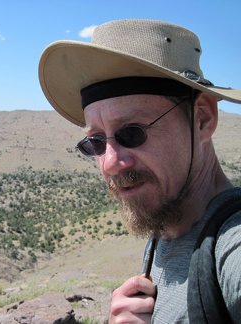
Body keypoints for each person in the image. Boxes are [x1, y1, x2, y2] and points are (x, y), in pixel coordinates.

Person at [38, 19, 241, 323]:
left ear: (202, 119)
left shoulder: (231, 250)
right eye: (95, 141)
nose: (109, 163)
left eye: (132, 132)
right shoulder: (164, 227)